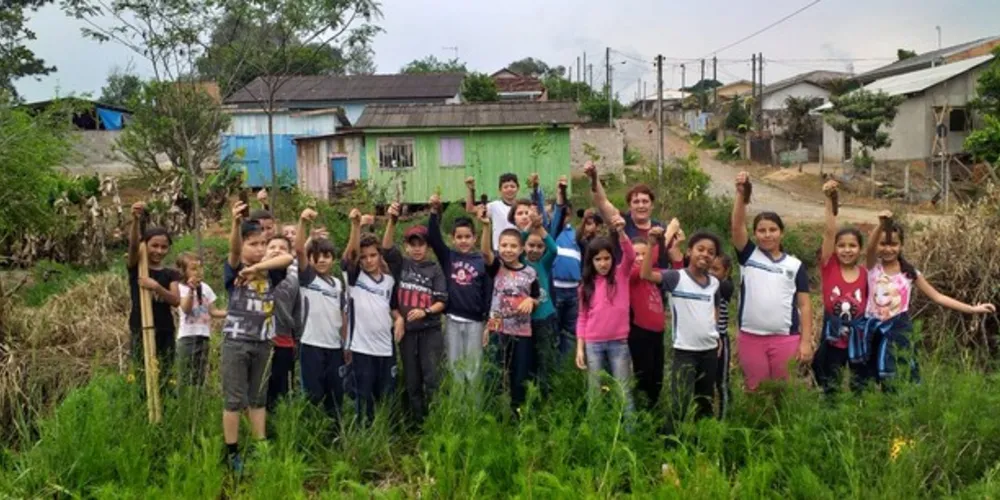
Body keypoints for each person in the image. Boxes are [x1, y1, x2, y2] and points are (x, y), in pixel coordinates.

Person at [861, 211, 995, 387]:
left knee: (898, 376)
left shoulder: (909, 273)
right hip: (873, 330)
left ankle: (897, 402)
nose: (888, 249)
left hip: (899, 330)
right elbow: (870, 248)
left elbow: (937, 297)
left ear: (901, 246)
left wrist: (971, 309)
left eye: (894, 244)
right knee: (870, 378)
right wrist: (881, 225)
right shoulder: (872, 267)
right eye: (883, 244)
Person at [221, 200, 293, 473]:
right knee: (233, 399)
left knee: (258, 397)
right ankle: (232, 451)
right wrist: (235, 224)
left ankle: (260, 445)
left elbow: (287, 258)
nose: (260, 249)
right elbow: (233, 250)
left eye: (263, 243)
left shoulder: (270, 271)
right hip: (236, 343)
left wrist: (256, 269)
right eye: (253, 244)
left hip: (264, 342)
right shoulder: (234, 269)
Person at [731, 171, 813, 391]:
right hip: (751, 337)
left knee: (784, 393)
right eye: (761, 231)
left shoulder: (795, 265)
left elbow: (804, 305)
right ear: (755, 234)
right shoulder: (748, 256)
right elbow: (737, 226)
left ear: (782, 233)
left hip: (785, 338)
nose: (767, 235)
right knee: (755, 392)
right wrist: (741, 193)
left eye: (773, 230)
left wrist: (805, 342)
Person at [641, 223, 724, 425]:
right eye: (700, 249)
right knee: (680, 402)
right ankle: (672, 440)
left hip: (709, 351)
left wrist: (715, 334)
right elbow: (646, 275)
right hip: (685, 351)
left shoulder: (714, 283)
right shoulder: (676, 277)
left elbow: (715, 309)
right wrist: (651, 245)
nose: (705, 254)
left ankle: (701, 439)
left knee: (704, 401)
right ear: (689, 252)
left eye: (711, 252)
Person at [383, 203, 448, 425]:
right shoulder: (401, 264)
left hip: (430, 331)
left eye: (421, 244)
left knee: (432, 378)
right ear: (407, 247)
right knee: (412, 380)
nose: (417, 249)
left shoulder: (435, 269)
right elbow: (386, 248)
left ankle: (436, 422)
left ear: (428, 247)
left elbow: (442, 301)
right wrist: (392, 221)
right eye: (413, 245)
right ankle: (417, 423)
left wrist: (425, 311)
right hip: (407, 333)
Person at [343, 210, 401, 425]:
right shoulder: (354, 278)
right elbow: (350, 256)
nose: (368, 260)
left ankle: (385, 432)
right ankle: (363, 433)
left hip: (385, 347)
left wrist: (399, 319)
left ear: (379, 256)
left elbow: (393, 308)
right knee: (363, 396)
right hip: (361, 348)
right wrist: (355, 226)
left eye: (373, 255)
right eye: (364, 257)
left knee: (386, 395)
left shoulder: (389, 281)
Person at [427, 194, 492, 386]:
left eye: (467, 237)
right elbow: (434, 238)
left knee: (474, 368)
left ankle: (474, 404)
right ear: (453, 239)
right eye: (459, 237)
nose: (463, 241)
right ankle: (457, 403)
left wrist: (487, 319)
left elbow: (487, 292)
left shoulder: (482, 260)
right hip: (452, 320)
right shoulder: (449, 257)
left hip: (475, 322)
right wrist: (434, 212)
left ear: (475, 238)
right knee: (455, 366)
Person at [812, 180, 869, 395]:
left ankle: (858, 412)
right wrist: (829, 200)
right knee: (830, 385)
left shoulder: (865, 274)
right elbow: (829, 232)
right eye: (842, 245)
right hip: (832, 338)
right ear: (834, 248)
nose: (847, 250)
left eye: (852, 245)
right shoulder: (829, 267)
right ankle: (830, 411)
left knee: (859, 386)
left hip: (858, 339)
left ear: (860, 249)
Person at [292, 208, 349, 422]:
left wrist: (346, 344)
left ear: (333, 258)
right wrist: (302, 222)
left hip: (335, 347)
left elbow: (342, 315)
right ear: (310, 260)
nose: (322, 260)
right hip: (311, 345)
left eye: (326, 256)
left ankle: (335, 433)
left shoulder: (338, 284)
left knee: (336, 396)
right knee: (313, 395)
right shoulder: (308, 278)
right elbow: (299, 249)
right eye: (316, 257)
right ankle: (311, 430)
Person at [575, 215, 635, 412]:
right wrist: (580, 349)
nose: (603, 263)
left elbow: (630, 255)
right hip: (593, 344)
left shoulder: (621, 274)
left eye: (607, 258)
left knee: (623, 391)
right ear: (591, 261)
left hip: (619, 342)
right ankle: (595, 427)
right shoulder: (585, 286)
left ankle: (629, 427)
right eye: (598, 259)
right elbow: (582, 318)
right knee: (594, 391)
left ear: (612, 258)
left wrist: (621, 232)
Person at [483, 222, 540, 415]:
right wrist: (486, 227)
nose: (508, 250)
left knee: (519, 376)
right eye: (504, 245)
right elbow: (485, 253)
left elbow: (537, 297)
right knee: (493, 373)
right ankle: (492, 414)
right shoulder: (496, 267)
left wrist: (531, 300)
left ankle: (518, 414)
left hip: (522, 331)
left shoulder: (530, 272)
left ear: (521, 249)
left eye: (513, 246)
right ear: (498, 247)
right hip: (497, 328)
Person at [585, 161, 673, 269]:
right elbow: (602, 202)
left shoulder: (661, 228)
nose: (641, 205)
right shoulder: (621, 223)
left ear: (652, 205)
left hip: (655, 278)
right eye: (636, 202)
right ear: (629, 206)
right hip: (625, 278)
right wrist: (594, 178)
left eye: (645, 201)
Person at [126, 201, 181, 375]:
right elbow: (133, 246)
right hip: (140, 328)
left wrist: (156, 286)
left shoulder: (171, 274)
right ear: (145, 246)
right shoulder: (136, 267)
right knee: (142, 374)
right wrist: (135, 220)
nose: (159, 250)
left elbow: (175, 300)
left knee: (165, 373)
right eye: (154, 246)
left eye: (164, 247)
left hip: (165, 330)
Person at [627, 227, 671, 409]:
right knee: (643, 377)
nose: (639, 258)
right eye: (635, 254)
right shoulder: (630, 275)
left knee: (657, 377)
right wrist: (654, 244)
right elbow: (642, 270)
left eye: (643, 254)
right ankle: (641, 413)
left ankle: (652, 412)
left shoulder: (654, 273)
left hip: (658, 334)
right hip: (640, 332)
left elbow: (675, 274)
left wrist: (674, 247)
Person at [549, 177, 590, 358]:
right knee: (554, 330)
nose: (563, 217)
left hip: (574, 291)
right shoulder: (551, 232)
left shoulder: (576, 235)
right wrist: (561, 193)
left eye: (567, 214)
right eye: (560, 214)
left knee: (571, 331)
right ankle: (553, 364)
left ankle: (567, 366)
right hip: (556, 289)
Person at [176, 252, 226, 387]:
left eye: (200, 268)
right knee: (185, 375)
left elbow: (213, 311)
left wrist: (232, 313)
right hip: (187, 337)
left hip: (204, 337)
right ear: (183, 271)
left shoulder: (206, 288)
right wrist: (191, 291)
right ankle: (184, 398)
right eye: (193, 269)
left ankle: (197, 398)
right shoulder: (180, 288)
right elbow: (186, 309)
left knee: (199, 376)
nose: (198, 272)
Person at [522, 209, 558, 389]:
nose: (535, 250)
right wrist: (530, 226)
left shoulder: (543, 263)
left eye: (539, 246)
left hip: (545, 318)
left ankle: (546, 392)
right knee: (529, 358)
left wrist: (540, 227)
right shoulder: (521, 263)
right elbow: (517, 241)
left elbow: (554, 249)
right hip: (526, 320)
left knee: (546, 357)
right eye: (531, 245)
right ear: (524, 246)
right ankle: (529, 391)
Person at [709, 254, 735, 418]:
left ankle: (724, 418)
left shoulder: (726, 286)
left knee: (722, 382)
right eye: (709, 268)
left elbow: (721, 287)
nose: (711, 272)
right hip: (704, 340)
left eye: (716, 269)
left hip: (721, 340)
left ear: (726, 272)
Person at [466, 173, 519, 249]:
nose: (509, 189)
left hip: (518, 250)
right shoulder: (494, 206)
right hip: (499, 250)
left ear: (518, 188)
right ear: (500, 190)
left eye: (512, 186)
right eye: (505, 187)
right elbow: (470, 209)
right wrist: (470, 189)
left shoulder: (522, 207)